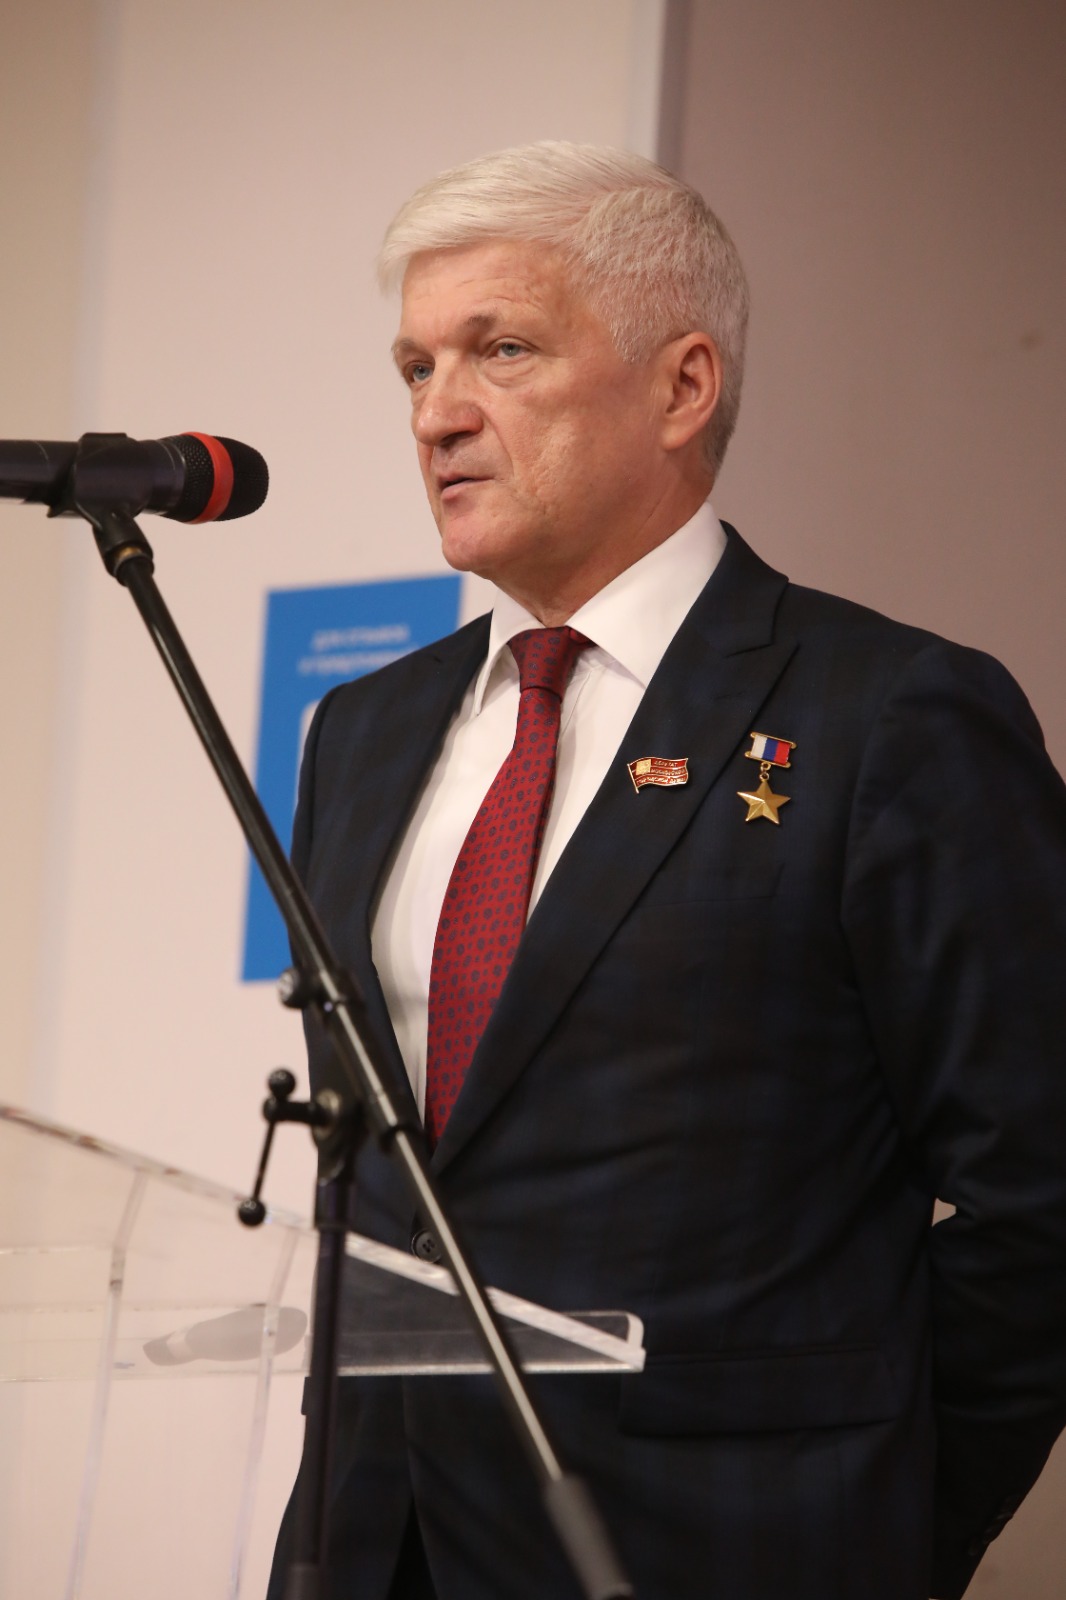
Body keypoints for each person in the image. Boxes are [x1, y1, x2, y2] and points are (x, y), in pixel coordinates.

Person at [270, 143, 1066, 1600]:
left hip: (737, 1549)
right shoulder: (361, 732)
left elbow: (1043, 1195)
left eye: (502, 350)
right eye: (416, 367)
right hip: (379, 1542)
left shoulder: (888, 714)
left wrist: (878, 1525)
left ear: (682, 385)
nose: (438, 412)